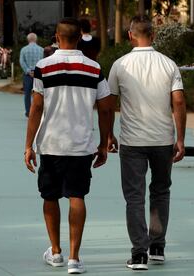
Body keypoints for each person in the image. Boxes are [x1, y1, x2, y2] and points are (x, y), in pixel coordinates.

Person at [24, 18, 112, 274]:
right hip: (81, 145)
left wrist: (29, 144)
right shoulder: (94, 68)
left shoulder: (44, 66)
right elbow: (106, 108)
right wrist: (105, 142)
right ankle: (74, 258)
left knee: (49, 196)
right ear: (78, 38)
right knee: (77, 195)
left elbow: (36, 107)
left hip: (51, 143)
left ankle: (56, 252)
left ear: (57, 37)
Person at [107, 15, 186, 270]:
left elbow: (109, 104)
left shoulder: (120, 65)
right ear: (153, 35)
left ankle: (139, 253)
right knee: (161, 192)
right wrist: (181, 138)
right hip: (163, 138)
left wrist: (108, 135)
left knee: (134, 197)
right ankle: (157, 246)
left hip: (132, 141)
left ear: (130, 35)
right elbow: (178, 101)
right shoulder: (169, 64)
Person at [19, 32, 43, 117]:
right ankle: (38, 111)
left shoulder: (24, 49)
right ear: (36, 39)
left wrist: (28, 71)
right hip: (38, 74)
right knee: (39, 92)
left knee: (27, 94)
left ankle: (28, 112)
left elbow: (22, 62)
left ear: (28, 40)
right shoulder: (41, 49)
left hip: (28, 74)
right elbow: (43, 61)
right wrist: (37, 71)